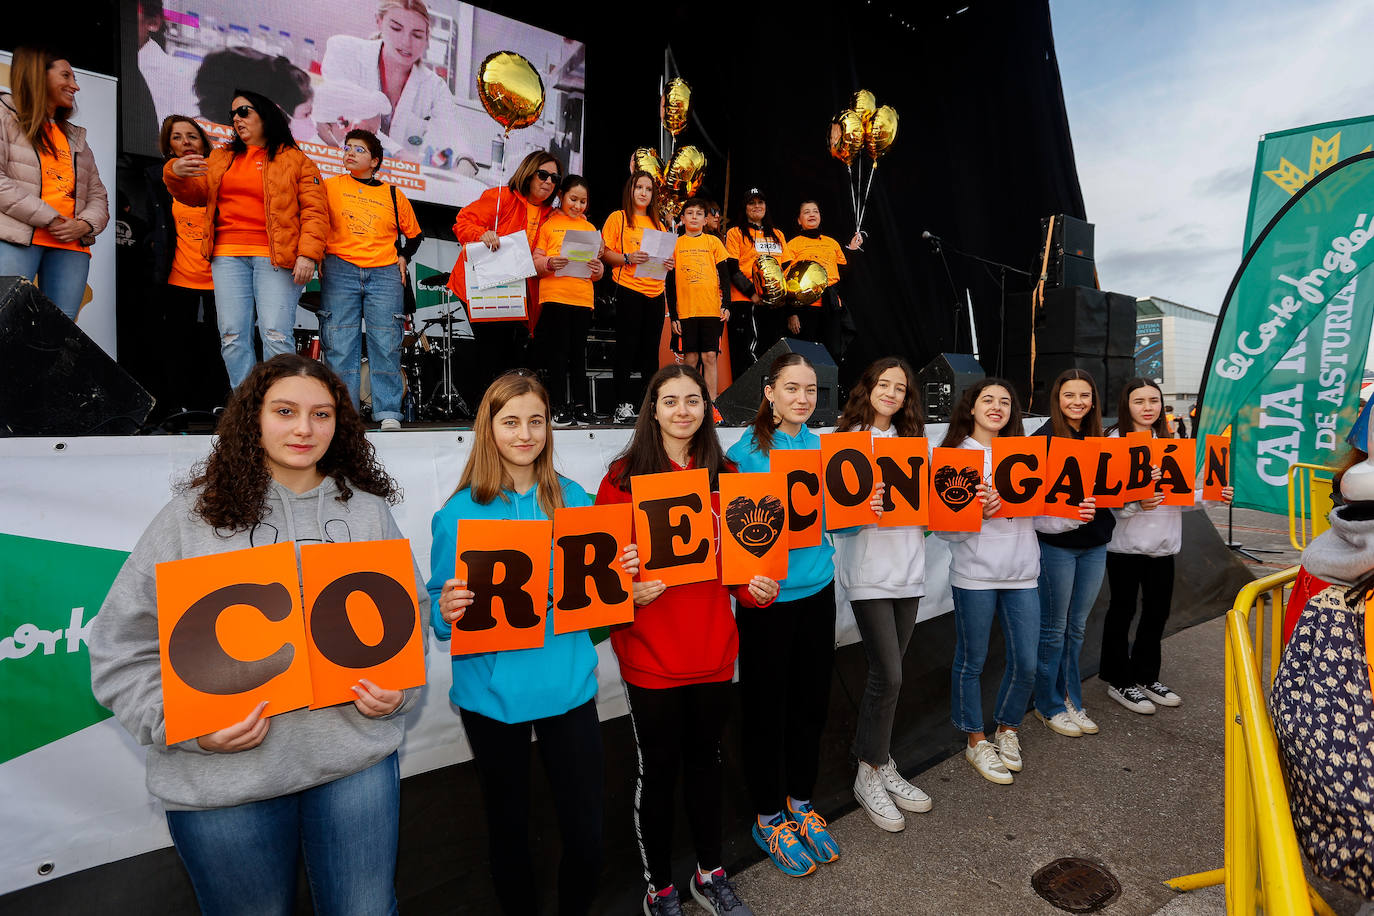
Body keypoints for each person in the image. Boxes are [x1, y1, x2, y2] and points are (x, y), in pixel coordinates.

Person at [89, 354, 426, 914]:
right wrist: (184, 727)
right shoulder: (189, 519)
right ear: (253, 418)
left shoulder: (368, 513)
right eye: (286, 411)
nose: (304, 429)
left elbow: (404, 624)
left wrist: (399, 694)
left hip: (354, 768)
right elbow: (119, 650)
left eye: (321, 414)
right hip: (222, 784)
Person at [428, 370, 634, 915]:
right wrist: (444, 610)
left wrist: (623, 578)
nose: (525, 434)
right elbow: (438, 608)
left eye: (536, 421)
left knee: (587, 836)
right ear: (488, 427)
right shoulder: (457, 513)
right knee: (510, 833)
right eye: (511, 421)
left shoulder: (577, 499)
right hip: (492, 699)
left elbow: (599, 612)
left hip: (568, 689)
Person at [595, 364, 776, 916]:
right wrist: (626, 586)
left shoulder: (732, 475)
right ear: (652, 409)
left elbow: (748, 573)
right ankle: (660, 889)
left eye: (692, 400)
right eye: (669, 400)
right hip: (651, 655)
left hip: (713, 652)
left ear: (707, 409)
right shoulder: (621, 480)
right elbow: (603, 579)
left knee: (707, 765)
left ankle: (710, 872)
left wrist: (760, 589)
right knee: (660, 772)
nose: (681, 411)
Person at [726, 352, 881, 877]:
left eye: (811, 390)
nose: (802, 398)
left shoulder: (825, 448)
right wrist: (749, 582)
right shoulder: (743, 453)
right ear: (768, 391)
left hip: (818, 592)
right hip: (768, 604)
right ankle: (768, 817)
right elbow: (729, 542)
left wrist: (866, 505)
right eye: (792, 388)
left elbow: (842, 524)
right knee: (766, 712)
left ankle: (800, 804)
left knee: (811, 706)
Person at [164, 88, 328, 389]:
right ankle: (246, 406)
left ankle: (281, 403)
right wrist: (174, 172)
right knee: (231, 335)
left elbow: (315, 212)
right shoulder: (221, 158)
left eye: (244, 111)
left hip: (275, 257)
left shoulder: (296, 160)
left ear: (266, 114)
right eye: (232, 114)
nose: (236, 119)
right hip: (226, 257)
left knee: (275, 333)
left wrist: (308, 254)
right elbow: (195, 195)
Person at [831, 357, 934, 833]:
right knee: (887, 675)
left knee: (891, 675)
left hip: (909, 571)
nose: (892, 393)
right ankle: (867, 771)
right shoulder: (844, 441)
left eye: (901, 387)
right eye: (884, 384)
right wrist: (857, 509)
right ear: (867, 388)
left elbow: (932, 515)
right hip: (868, 572)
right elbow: (830, 518)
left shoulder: (916, 445)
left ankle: (880, 760)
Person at [1101, 378, 1232, 714]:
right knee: (1122, 610)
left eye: (1153, 400)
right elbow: (1105, 499)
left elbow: (1179, 497)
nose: (1148, 407)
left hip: (1164, 545)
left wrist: (1212, 496)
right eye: (1139, 401)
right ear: (1125, 404)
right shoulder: (1113, 440)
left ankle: (1146, 675)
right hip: (1125, 547)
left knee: (1157, 612)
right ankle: (1120, 680)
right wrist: (1134, 503)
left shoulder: (1171, 440)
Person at [934, 378, 1040, 785]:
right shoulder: (952, 455)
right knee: (972, 660)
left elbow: (1042, 514)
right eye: (988, 400)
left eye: (1005, 401)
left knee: (1027, 662)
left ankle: (1008, 728)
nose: (997, 407)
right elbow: (943, 530)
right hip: (975, 575)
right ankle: (975, 739)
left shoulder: (1026, 454)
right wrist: (976, 516)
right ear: (971, 407)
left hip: (1023, 572)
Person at [319, 127, 423, 431]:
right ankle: (345, 416)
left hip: (384, 273)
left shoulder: (392, 192)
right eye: (347, 148)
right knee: (339, 344)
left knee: (386, 343)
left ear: (375, 161)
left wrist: (403, 256)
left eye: (359, 149)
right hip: (340, 269)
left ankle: (388, 411)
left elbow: (415, 235)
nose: (350, 153)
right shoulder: (329, 187)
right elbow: (314, 223)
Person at [0, 47, 110, 321]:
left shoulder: (74, 136)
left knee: (58, 336)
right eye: (66, 76)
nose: (75, 85)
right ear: (39, 76)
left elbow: (98, 196)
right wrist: (51, 218)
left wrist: (85, 225)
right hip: (16, 238)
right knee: (7, 323)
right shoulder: (4, 114)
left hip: (71, 248)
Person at [1031, 370, 1109, 739]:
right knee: (1054, 629)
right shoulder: (1041, 440)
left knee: (1076, 628)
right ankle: (1048, 705)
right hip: (1056, 548)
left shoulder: (1104, 440)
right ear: (1057, 399)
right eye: (1069, 395)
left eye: (1084, 395)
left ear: (1093, 400)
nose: (1077, 402)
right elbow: (1033, 503)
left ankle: (1070, 697)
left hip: (1096, 545)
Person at [445, 150, 563, 391]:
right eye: (543, 175)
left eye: (555, 178)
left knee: (510, 356)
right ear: (529, 173)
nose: (549, 181)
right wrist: (482, 234)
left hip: (518, 293)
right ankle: (487, 412)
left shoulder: (552, 216)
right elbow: (463, 222)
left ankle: (502, 410)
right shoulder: (502, 197)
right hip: (483, 286)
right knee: (491, 350)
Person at [318, 0, 477, 169]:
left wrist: (465, 158)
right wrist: (400, 154)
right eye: (396, 28)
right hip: (341, 169)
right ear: (379, 22)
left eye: (416, 35)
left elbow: (453, 128)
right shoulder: (345, 51)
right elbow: (345, 122)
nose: (406, 43)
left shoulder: (434, 85)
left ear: (426, 38)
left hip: (398, 184)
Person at [150, 115, 229, 415]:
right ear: (168, 145)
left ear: (203, 141)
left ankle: (217, 403)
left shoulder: (221, 175)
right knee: (176, 345)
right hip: (176, 277)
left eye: (192, 136)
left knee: (219, 343)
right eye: (177, 137)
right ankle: (176, 405)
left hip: (219, 277)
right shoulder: (158, 179)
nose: (185, 142)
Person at [532, 174, 604, 427]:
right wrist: (550, 263)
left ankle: (582, 407)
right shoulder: (549, 224)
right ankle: (559, 407)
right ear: (561, 196)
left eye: (583, 201)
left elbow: (598, 270)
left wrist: (597, 268)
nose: (578, 206)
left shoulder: (590, 228)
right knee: (558, 354)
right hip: (555, 296)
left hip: (582, 298)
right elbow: (536, 260)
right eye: (573, 199)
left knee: (578, 354)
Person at [602, 170, 671, 425]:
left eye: (648, 189)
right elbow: (605, 254)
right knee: (626, 348)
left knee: (650, 352)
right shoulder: (618, 218)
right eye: (639, 187)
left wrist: (668, 262)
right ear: (630, 190)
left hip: (655, 291)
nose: (643, 193)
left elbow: (661, 257)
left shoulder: (659, 224)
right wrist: (629, 258)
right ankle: (621, 404)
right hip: (628, 288)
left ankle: (649, 404)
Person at [666, 198, 732, 399]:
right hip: (686, 312)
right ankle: (690, 398)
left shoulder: (713, 242)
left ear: (705, 220)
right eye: (690, 213)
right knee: (691, 358)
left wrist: (726, 305)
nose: (694, 217)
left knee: (710, 356)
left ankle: (711, 403)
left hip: (711, 310)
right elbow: (670, 283)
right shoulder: (675, 244)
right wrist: (674, 316)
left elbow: (726, 277)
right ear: (683, 218)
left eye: (699, 213)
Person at [781, 201, 861, 356]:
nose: (812, 214)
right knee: (805, 353)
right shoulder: (792, 245)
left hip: (830, 306)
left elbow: (844, 273)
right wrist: (791, 313)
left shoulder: (832, 243)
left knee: (831, 353)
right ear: (799, 220)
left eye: (815, 211)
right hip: (805, 306)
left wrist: (852, 250)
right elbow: (786, 282)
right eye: (806, 212)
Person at [723, 188, 785, 375]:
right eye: (752, 203)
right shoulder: (735, 233)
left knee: (773, 350)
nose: (757, 206)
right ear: (745, 207)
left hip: (774, 304)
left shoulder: (777, 234)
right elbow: (732, 269)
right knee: (749, 352)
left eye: (760, 202)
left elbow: (787, 268)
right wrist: (752, 293)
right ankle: (749, 398)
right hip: (746, 301)